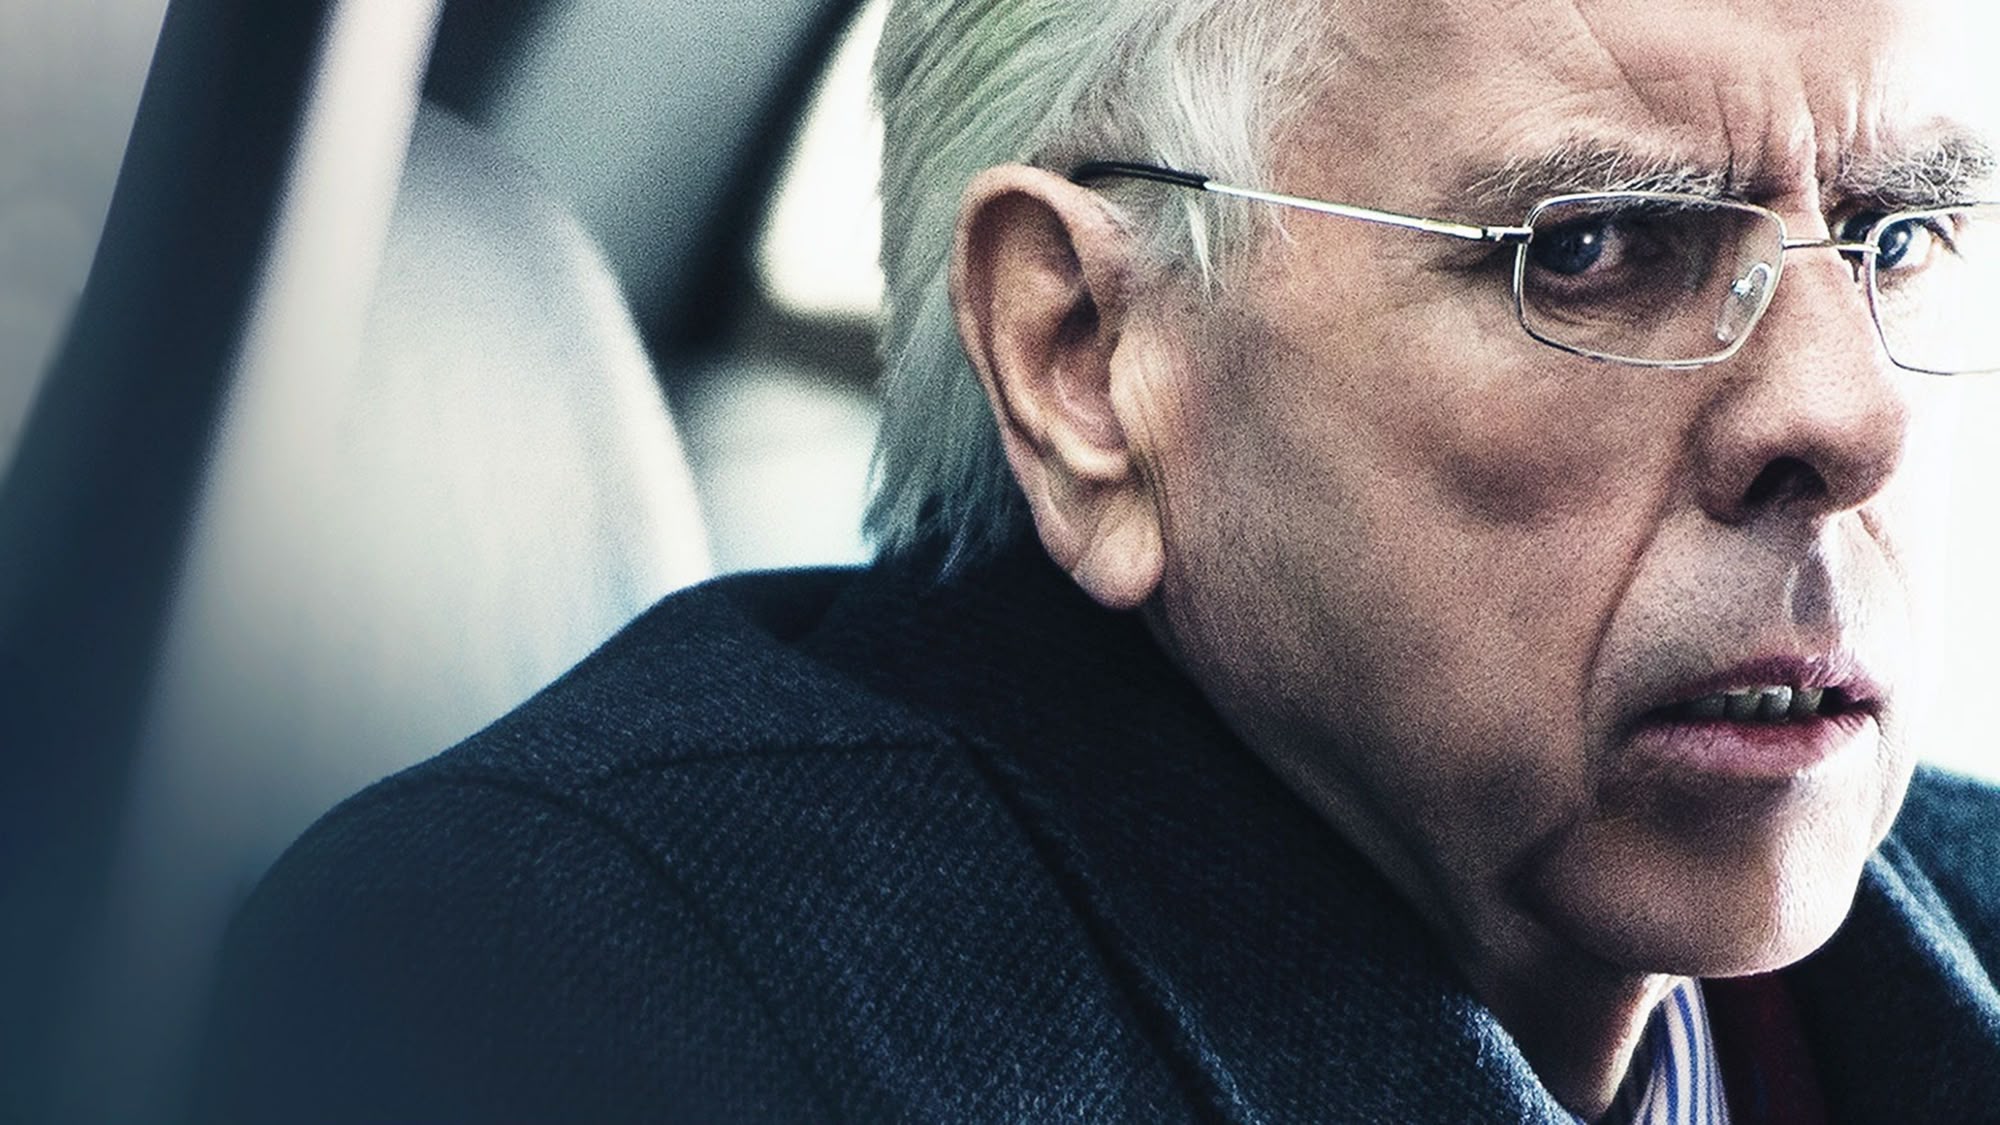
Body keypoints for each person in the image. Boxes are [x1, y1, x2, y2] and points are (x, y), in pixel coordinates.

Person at [189, 0, 2000, 1121]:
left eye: (1899, 235)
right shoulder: (593, 1002)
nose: (1851, 417)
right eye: (1590, 249)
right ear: (1085, 360)